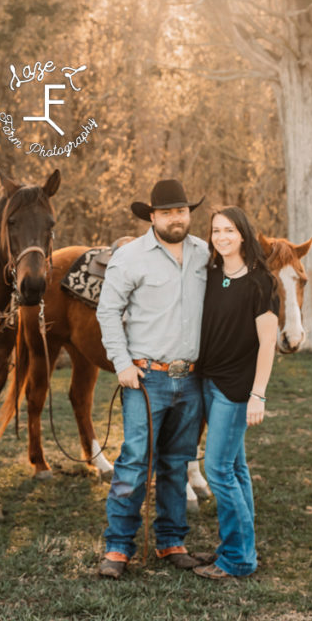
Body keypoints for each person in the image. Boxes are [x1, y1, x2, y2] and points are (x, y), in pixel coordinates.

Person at [95, 178, 212, 579]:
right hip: (148, 378)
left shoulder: (204, 254)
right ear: (153, 216)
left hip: (192, 378)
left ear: (189, 213)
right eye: (167, 212)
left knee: (178, 463)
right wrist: (122, 364)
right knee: (133, 463)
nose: (176, 218)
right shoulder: (131, 258)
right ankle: (117, 548)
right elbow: (108, 311)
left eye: (181, 210)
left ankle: (171, 542)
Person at [193, 205, 279, 580]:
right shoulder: (211, 275)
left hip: (236, 387)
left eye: (229, 230)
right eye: (215, 231)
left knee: (217, 470)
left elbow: (267, 343)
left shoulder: (262, 282)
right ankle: (240, 547)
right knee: (236, 468)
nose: (221, 237)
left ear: (243, 234)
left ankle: (239, 560)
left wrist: (258, 394)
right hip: (207, 381)